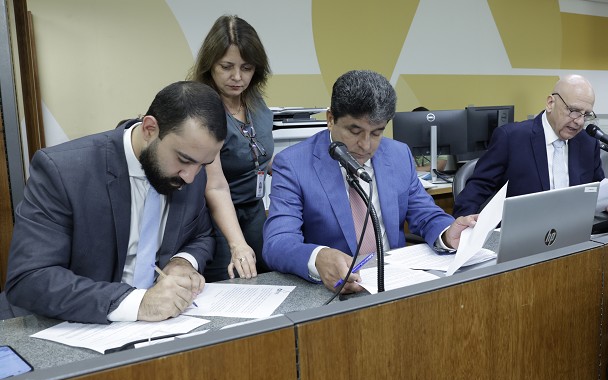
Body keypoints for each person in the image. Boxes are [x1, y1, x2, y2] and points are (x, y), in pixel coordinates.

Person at [4, 81, 226, 324]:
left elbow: (201, 235)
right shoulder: (63, 171)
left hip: (160, 327)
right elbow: (30, 278)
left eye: (203, 164)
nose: (191, 177)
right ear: (150, 129)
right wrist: (137, 304)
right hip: (67, 325)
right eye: (183, 159)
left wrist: (182, 262)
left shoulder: (191, 170)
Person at [262, 70, 477, 293]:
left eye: (376, 133)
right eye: (355, 131)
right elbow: (278, 242)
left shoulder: (398, 155)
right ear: (330, 119)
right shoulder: (293, 164)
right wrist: (318, 257)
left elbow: (425, 214)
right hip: (335, 292)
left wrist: (447, 233)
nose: (365, 145)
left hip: (395, 284)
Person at [453, 74, 608, 217]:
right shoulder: (510, 138)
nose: (579, 121)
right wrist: (464, 231)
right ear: (550, 103)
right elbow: (476, 190)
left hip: (575, 235)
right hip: (523, 237)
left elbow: (599, 193)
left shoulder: (587, 142)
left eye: (586, 114)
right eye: (573, 111)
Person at [187, 15, 274, 282]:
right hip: (217, 217)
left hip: (254, 209)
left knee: (270, 276)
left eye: (246, 68)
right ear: (210, 65)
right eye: (226, 67)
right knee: (231, 284)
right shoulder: (202, 108)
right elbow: (215, 186)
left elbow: (260, 156)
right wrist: (237, 244)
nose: (237, 77)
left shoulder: (254, 99)